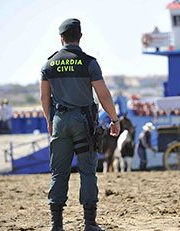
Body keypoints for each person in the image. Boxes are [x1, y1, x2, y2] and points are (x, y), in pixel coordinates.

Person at [40, 18, 120, 231]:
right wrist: (114, 119)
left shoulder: (49, 64)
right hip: (83, 123)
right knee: (87, 172)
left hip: (59, 122)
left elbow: (44, 97)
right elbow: (103, 95)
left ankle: (56, 225)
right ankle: (90, 224)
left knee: (59, 172)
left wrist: (50, 120)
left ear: (61, 38)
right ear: (80, 36)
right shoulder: (88, 62)